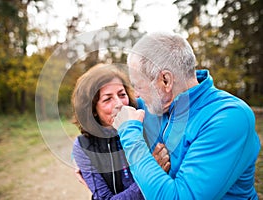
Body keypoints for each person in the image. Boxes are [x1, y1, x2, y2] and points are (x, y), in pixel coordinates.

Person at [112, 32, 261, 199]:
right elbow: (112, 109)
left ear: (165, 81)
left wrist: (130, 136)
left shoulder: (228, 118)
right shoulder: (159, 104)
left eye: (138, 86)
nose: (136, 95)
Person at [71, 64, 170, 199]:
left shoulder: (143, 116)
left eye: (122, 94)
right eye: (107, 99)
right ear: (92, 109)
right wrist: (150, 174)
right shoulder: (83, 146)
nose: (119, 104)